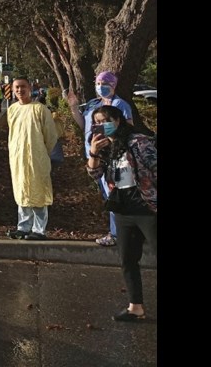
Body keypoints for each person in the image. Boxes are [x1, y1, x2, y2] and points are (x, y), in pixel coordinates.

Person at [86, 104, 157, 322]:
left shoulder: (139, 141)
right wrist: (94, 152)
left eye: (104, 121)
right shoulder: (106, 147)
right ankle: (136, 307)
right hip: (123, 209)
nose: (100, 126)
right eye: (96, 122)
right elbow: (95, 173)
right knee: (127, 259)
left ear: (118, 120)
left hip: (147, 207)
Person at [66, 70, 135, 247]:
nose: (100, 87)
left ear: (113, 85)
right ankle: (119, 232)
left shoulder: (120, 104)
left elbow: (128, 129)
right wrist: (73, 107)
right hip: (94, 156)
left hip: (113, 156)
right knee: (108, 195)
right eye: (98, 83)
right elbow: (84, 126)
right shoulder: (93, 104)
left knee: (115, 194)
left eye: (105, 84)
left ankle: (118, 234)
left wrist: (111, 138)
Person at [6, 77, 57, 241]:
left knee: (38, 192)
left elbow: (50, 135)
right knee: (22, 191)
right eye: (16, 88)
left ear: (30, 88)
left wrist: (41, 152)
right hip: (18, 158)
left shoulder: (40, 109)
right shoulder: (12, 109)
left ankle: (39, 229)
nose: (20, 90)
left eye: (23, 87)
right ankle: (23, 227)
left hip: (37, 157)